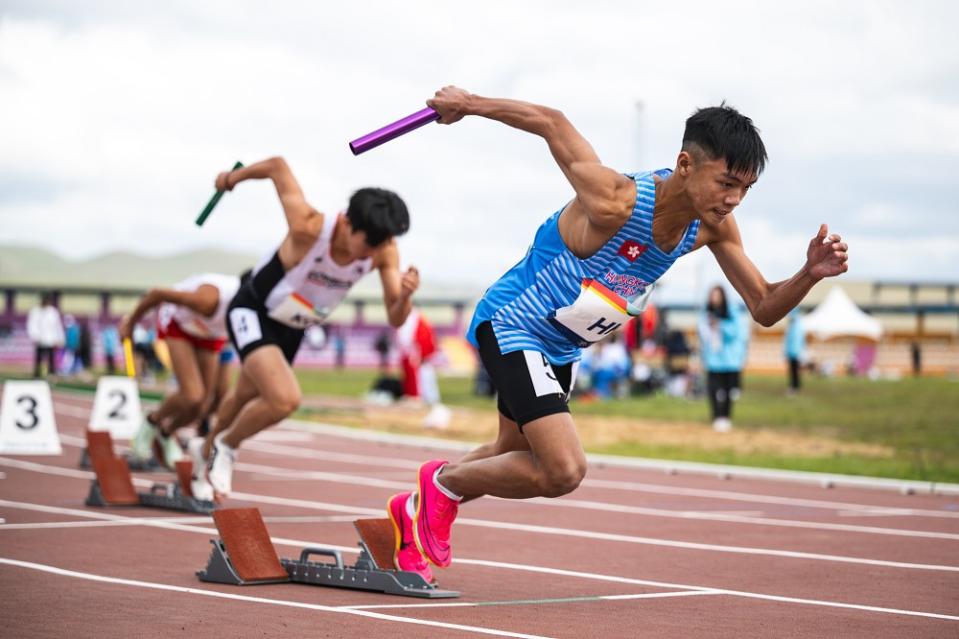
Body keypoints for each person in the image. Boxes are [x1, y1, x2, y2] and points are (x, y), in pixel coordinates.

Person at [387, 86, 849, 580]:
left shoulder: (713, 227)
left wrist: (809, 274)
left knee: (510, 454)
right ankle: (442, 486)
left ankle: (414, 506)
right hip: (513, 323)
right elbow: (552, 120)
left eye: (746, 189)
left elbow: (762, 306)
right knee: (563, 469)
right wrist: (469, 104)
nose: (733, 199)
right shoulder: (617, 201)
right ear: (686, 164)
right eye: (726, 182)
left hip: (562, 347)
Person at [196, 157, 418, 504]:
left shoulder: (384, 250)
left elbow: (395, 316)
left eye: (382, 245)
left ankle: (203, 453)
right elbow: (278, 167)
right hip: (254, 310)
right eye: (369, 244)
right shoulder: (309, 227)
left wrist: (404, 296)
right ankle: (226, 445)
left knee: (243, 396)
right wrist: (231, 178)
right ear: (347, 222)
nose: (374, 254)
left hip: (295, 325)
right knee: (284, 399)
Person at [120, 273, 240, 468]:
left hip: (210, 333)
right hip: (179, 325)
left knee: (202, 407)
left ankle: (166, 433)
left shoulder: (259, 309)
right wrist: (131, 324)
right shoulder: (208, 299)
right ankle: (152, 421)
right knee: (192, 395)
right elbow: (157, 294)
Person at [697, 285, 746, 431]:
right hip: (712, 358)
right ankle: (716, 416)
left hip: (730, 359)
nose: (714, 298)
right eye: (712, 295)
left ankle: (725, 416)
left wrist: (720, 325)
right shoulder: (706, 312)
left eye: (717, 295)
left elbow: (735, 332)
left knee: (728, 391)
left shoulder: (732, 312)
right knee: (713, 389)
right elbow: (702, 331)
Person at [27, 293, 64, 378]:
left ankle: (51, 373)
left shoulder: (53, 312)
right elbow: (32, 325)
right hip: (39, 339)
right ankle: (37, 374)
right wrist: (34, 336)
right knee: (39, 357)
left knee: (51, 357)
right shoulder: (35, 311)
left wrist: (59, 338)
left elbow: (57, 326)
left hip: (50, 339)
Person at [784, 306, 806, 393]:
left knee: (795, 371)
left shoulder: (797, 326)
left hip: (796, 353)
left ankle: (795, 386)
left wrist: (799, 352)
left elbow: (798, 341)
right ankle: (794, 385)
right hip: (792, 352)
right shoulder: (792, 326)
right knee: (793, 370)